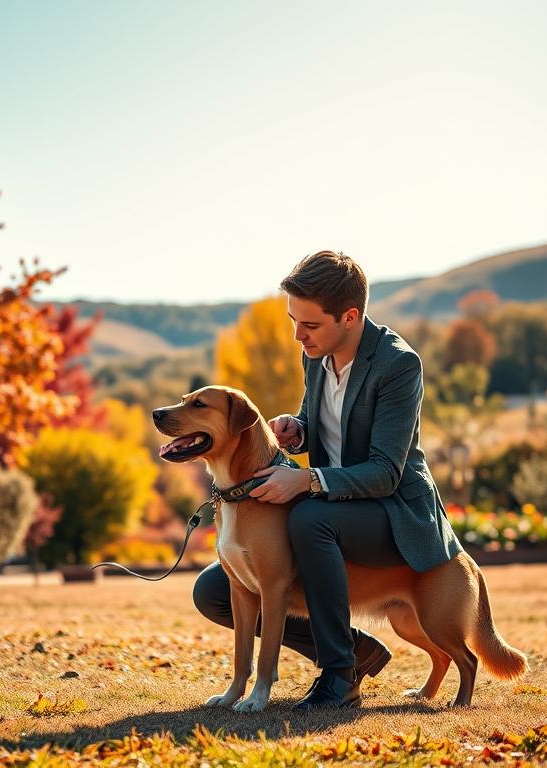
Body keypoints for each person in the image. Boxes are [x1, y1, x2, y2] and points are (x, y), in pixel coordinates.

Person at [192, 250, 463, 710]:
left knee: (310, 519)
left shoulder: (399, 365)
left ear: (350, 316)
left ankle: (339, 677)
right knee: (214, 589)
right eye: (294, 321)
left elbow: (384, 471)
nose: (299, 336)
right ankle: (354, 649)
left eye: (310, 325)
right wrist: (297, 430)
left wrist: (308, 481)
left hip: (392, 510)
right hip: (330, 504)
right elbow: (320, 423)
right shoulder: (316, 356)